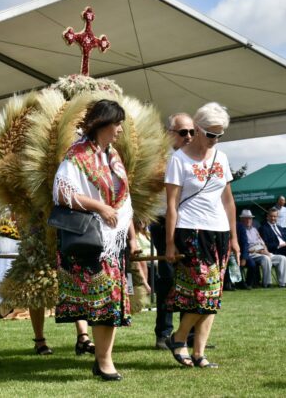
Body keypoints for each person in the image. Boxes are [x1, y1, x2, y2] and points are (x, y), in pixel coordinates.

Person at [53, 99, 137, 381]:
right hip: (90, 237)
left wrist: (129, 232)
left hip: (113, 240)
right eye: (117, 124)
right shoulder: (77, 155)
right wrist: (100, 207)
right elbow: (62, 192)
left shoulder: (112, 157)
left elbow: (124, 198)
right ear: (103, 124)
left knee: (112, 301)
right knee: (101, 301)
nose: (120, 130)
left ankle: (104, 361)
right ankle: (102, 359)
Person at [164, 102, 239, 369]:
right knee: (202, 293)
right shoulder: (178, 159)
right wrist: (170, 242)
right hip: (192, 230)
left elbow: (228, 200)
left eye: (219, 135)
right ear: (197, 129)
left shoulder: (221, 157)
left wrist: (234, 237)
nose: (214, 140)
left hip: (219, 231)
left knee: (213, 296)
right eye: (210, 134)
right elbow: (171, 204)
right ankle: (179, 337)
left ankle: (199, 352)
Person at [149, 112, 194, 350]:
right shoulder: (161, 158)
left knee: (192, 276)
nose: (189, 137)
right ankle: (164, 333)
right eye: (183, 132)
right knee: (168, 276)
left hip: (190, 223)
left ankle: (190, 333)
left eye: (192, 132)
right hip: (163, 220)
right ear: (170, 133)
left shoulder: (196, 157)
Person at [239, 210, 286, 288]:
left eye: (250, 218)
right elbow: (243, 247)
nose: (249, 220)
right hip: (252, 253)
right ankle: (267, 283)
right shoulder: (240, 231)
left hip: (262, 251)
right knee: (266, 258)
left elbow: (262, 242)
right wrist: (259, 251)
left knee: (282, 258)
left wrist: (266, 250)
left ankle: (283, 283)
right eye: (246, 218)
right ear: (242, 219)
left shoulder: (254, 229)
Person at [259, 207, 286, 277]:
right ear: (267, 217)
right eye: (271, 216)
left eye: (275, 216)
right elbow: (265, 244)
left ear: (277, 217)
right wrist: (278, 245)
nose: (273, 218)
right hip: (276, 250)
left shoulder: (280, 228)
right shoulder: (263, 228)